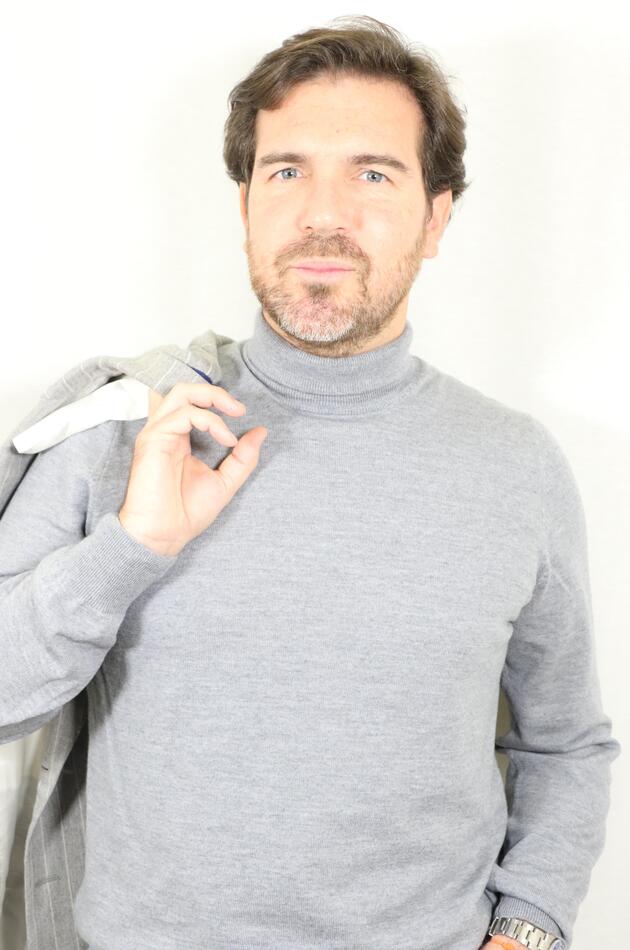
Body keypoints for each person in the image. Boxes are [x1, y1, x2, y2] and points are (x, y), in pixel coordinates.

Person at [0, 14, 620, 950]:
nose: (323, 215)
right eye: (287, 172)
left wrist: (527, 929)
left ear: (436, 218)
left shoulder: (517, 464)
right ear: (245, 204)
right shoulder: (122, 429)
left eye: (373, 174)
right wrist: (133, 547)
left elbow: (564, 744)